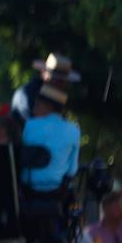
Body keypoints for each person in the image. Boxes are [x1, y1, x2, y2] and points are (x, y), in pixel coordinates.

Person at [20, 54, 82, 195]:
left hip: (26, 191)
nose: (61, 83)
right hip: (55, 193)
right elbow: (72, 170)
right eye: (58, 79)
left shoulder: (29, 125)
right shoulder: (74, 130)